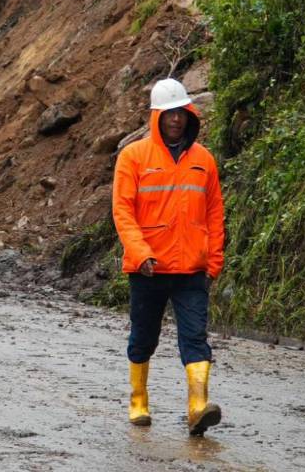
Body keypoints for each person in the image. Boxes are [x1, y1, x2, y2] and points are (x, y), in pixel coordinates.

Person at [112, 78, 225, 435]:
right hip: (148, 269)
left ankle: (198, 407)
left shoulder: (204, 159)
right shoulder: (133, 157)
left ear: (189, 114)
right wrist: (140, 253)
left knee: (195, 338)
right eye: (168, 113)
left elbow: (215, 214)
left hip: (192, 269)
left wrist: (214, 262)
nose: (176, 119)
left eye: (180, 112)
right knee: (143, 338)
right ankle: (138, 401)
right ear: (156, 117)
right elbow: (123, 212)